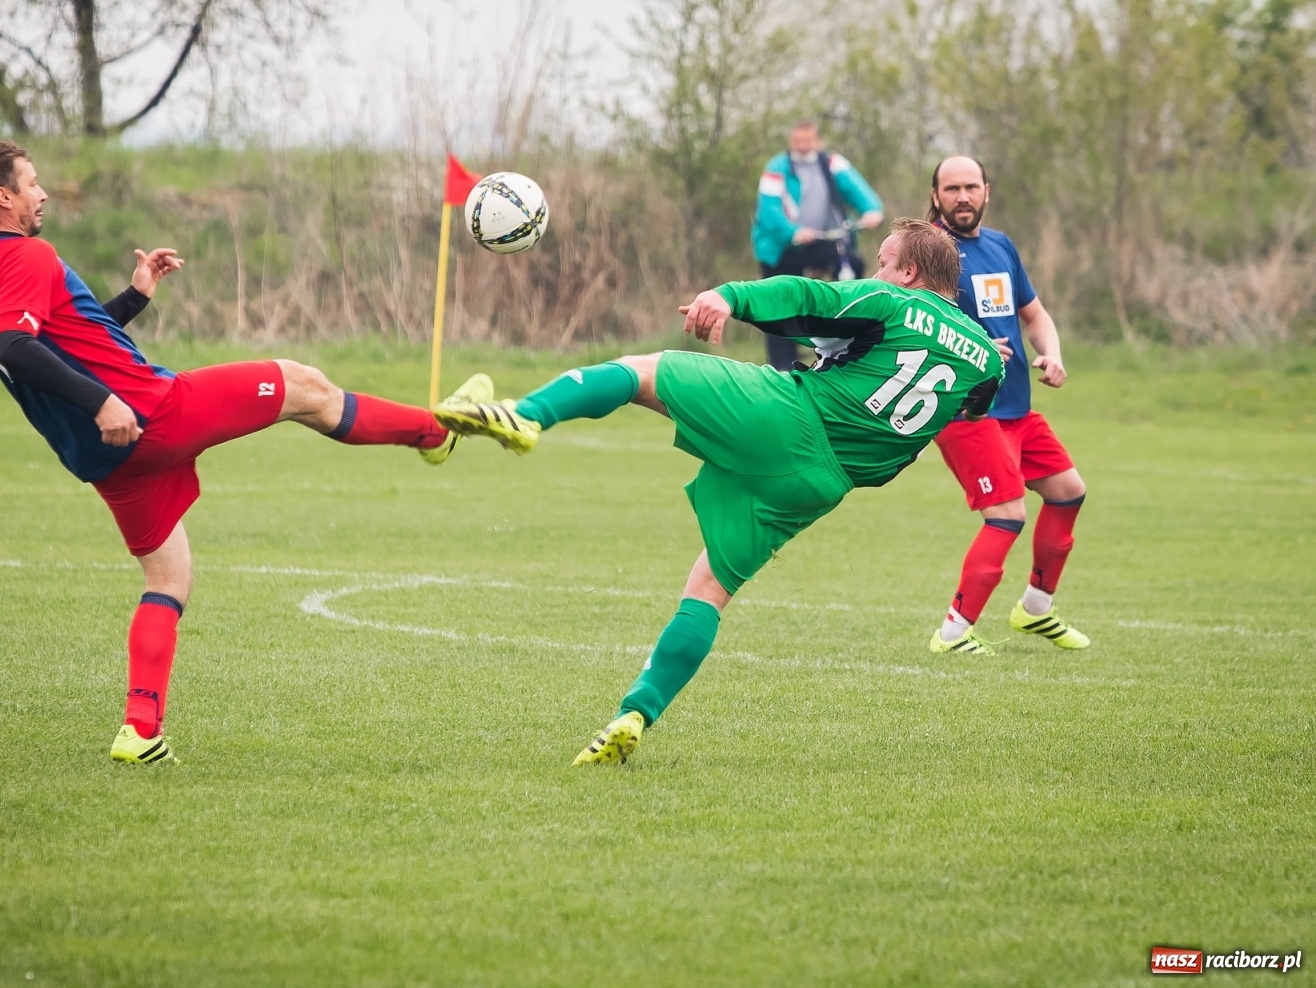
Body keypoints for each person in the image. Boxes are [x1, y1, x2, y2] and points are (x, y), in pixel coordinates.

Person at [0, 138, 486, 765]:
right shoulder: (28, 254)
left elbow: (72, 336)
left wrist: (136, 295)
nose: (42, 193)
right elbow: (20, 349)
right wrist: (102, 400)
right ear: (3, 197)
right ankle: (436, 433)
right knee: (303, 385)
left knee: (168, 578)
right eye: (33, 183)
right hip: (148, 415)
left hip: (104, 457)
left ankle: (139, 729)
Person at [434, 218, 1003, 765]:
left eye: (882, 264)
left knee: (639, 372)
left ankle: (523, 416)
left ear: (907, 273)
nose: (875, 275)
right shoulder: (984, 361)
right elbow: (971, 403)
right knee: (710, 586)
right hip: (823, 485)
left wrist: (730, 296)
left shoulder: (893, 303)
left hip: (792, 417)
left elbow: (809, 297)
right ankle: (635, 714)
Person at [926, 155, 1089, 656]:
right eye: (951, 188)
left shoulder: (1000, 246)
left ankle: (1035, 609)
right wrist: (969, 344)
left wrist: (1052, 352)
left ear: (987, 191)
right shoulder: (928, 252)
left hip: (1016, 407)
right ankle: (952, 632)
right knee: (1007, 514)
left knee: (1068, 492)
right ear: (935, 196)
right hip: (965, 410)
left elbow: (1033, 314)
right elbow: (910, 320)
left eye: (970, 187)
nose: (962, 197)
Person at [751, 119, 885, 370]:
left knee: (851, 263)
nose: (803, 146)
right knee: (778, 303)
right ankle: (783, 367)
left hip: (820, 240)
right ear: (791, 142)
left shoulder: (832, 163)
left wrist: (871, 211)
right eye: (798, 141)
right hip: (781, 246)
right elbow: (768, 211)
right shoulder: (776, 168)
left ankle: (843, 334)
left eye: (808, 140)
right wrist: (794, 231)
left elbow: (860, 190)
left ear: (818, 141)